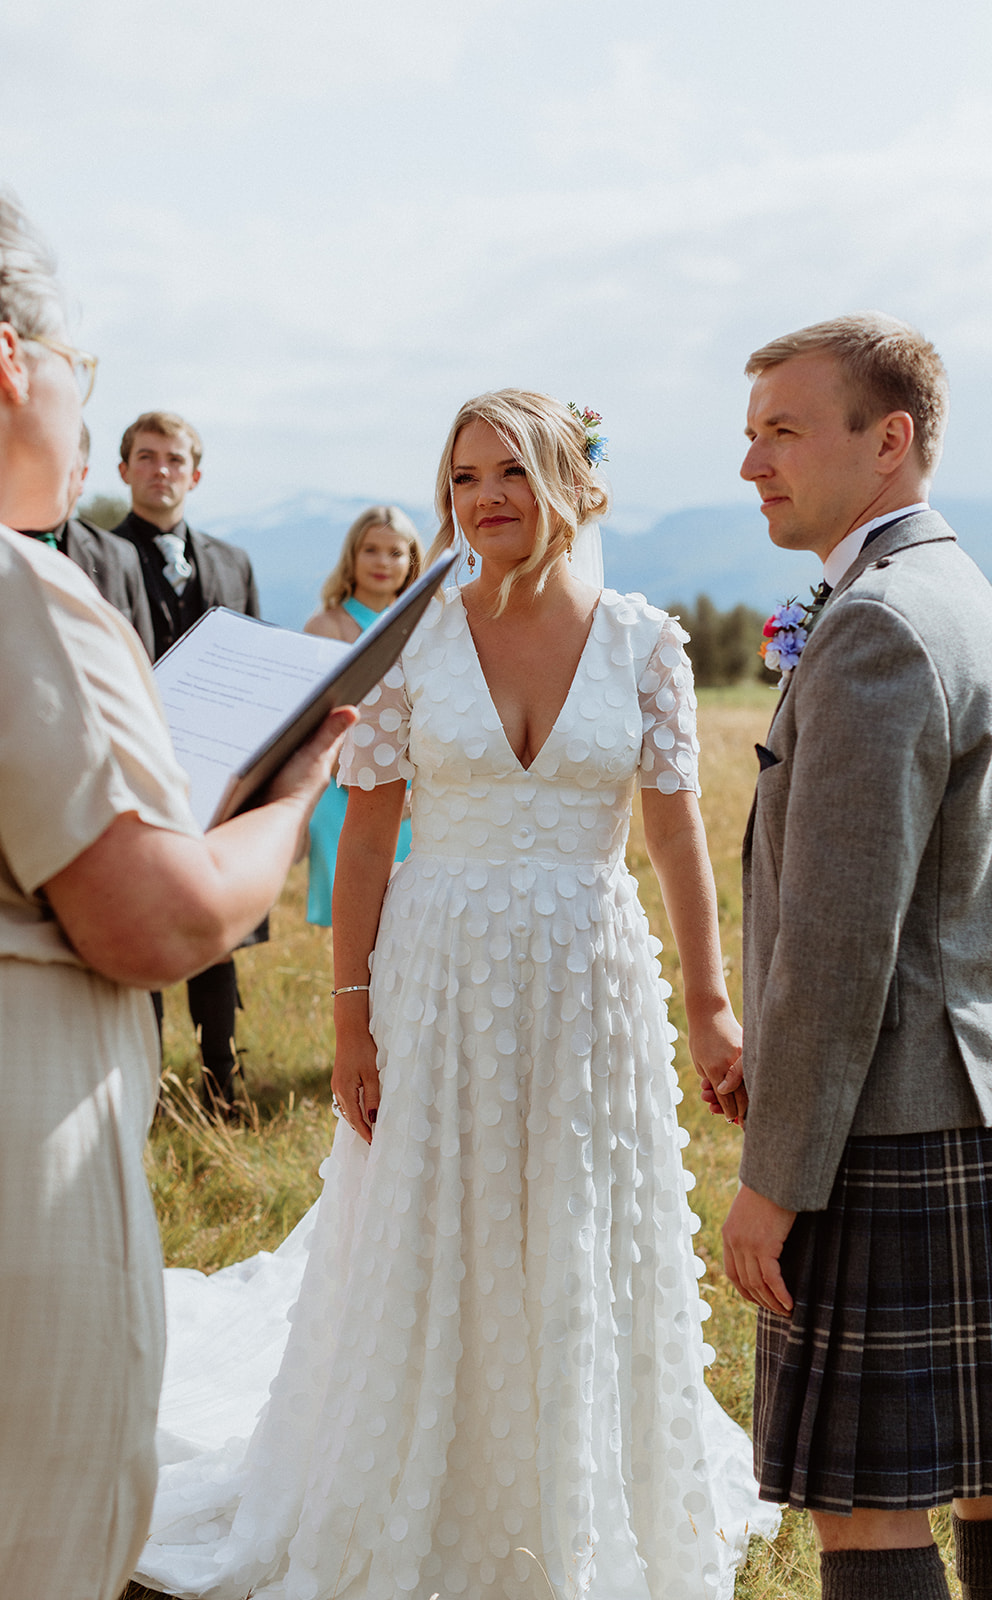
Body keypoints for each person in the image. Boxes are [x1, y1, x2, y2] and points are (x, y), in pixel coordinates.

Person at [135, 388, 778, 1599]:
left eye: (512, 473)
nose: (483, 498)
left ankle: (571, 1488)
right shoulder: (414, 642)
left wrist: (707, 1001)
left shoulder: (644, 639)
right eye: (464, 475)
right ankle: (412, 1478)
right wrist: (348, 1010)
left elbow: (677, 839)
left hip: (589, 974)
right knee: (432, 1217)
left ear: (571, 487)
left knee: (576, 1212)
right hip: (436, 971)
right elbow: (365, 834)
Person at [0, 189, 354, 1600]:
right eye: (83, 374)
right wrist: (284, 802)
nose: (85, 423)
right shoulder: (20, 592)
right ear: (12, 363)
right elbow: (153, 919)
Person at [720, 313, 992, 1600]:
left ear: (888, 440)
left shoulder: (874, 625)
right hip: (990, 1103)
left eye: (784, 431)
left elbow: (836, 944)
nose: (753, 462)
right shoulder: (962, 596)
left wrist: (774, 1177)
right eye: (749, 434)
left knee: (864, 1512)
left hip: (886, 1130)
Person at [112, 410, 264, 1113]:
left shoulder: (232, 563)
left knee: (211, 922)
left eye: (174, 459)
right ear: (124, 471)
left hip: (218, 773)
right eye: (146, 457)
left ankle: (218, 1083)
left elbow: (259, 668)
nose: (161, 469)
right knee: (139, 918)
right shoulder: (93, 554)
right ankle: (140, 1085)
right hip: (129, 768)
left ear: (194, 475)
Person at [303, 505, 423, 925]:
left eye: (395, 552)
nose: (383, 562)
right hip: (345, 792)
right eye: (371, 549)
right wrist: (365, 786)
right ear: (352, 556)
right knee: (355, 922)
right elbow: (316, 721)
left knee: (412, 919)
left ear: (412, 561)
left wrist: (417, 790)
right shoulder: (327, 626)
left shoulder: (424, 623)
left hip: (417, 796)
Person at [19, 418, 155, 652]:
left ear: (83, 475)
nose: (51, 475)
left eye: (65, 465)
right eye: (40, 460)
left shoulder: (119, 555)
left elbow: (142, 662)